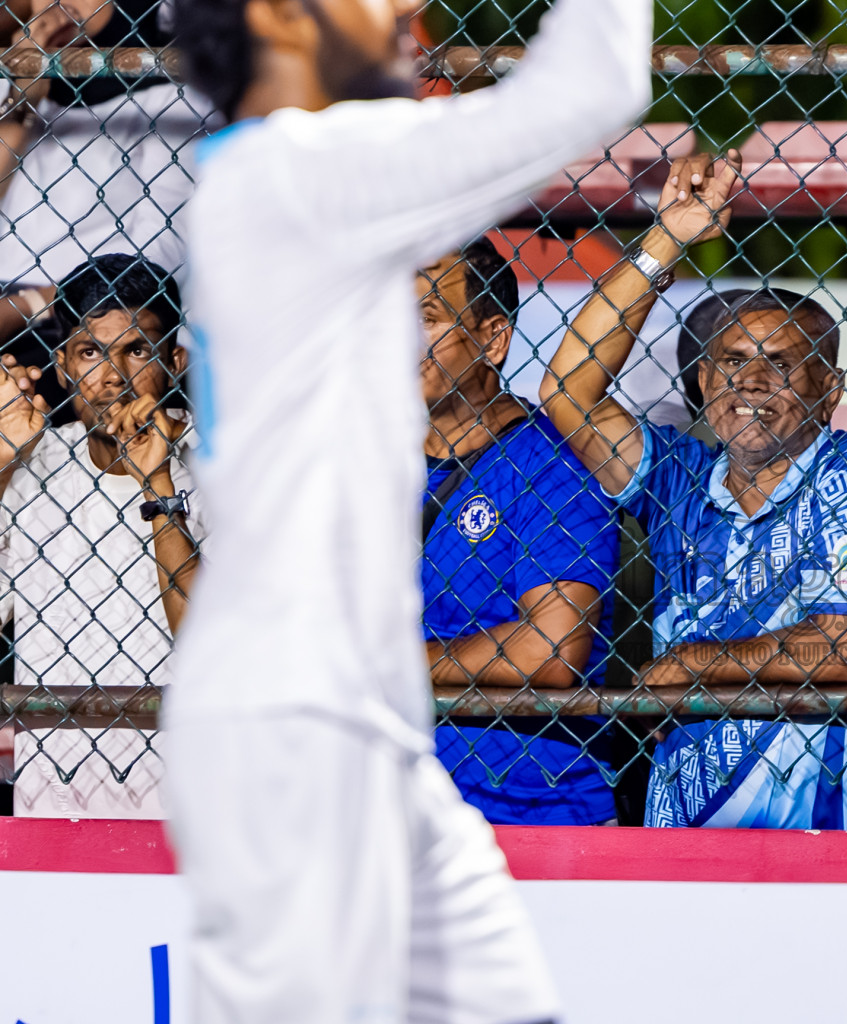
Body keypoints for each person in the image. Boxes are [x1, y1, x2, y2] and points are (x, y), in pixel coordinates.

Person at [162, 0, 651, 1017]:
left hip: (364, 722)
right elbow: (593, 82)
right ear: (281, 18)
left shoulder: (275, 180)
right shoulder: (306, 173)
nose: (410, 10)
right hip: (297, 729)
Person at [540, 152, 847, 830]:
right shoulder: (678, 475)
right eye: (732, 363)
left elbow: (842, 647)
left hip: (827, 825)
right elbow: (567, 389)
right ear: (705, 385)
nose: (750, 382)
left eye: (780, 364)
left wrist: (693, 663)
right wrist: (665, 241)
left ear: (828, 390)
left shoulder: (844, 464)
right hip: (686, 817)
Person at [419, 238, 621, 826]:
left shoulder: (551, 463)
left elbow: (551, 650)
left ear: (492, 339)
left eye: (427, 319)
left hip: (532, 818)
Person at [0, 253, 201, 818]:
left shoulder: (224, 463)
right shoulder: (36, 459)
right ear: (62, 367)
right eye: (91, 352)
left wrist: (157, 482)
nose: (113, 376)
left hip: (188, 801)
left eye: (137, 350)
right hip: (53, 802)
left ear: (174, 360)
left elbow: (211, 639)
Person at [0, 0, 219, 341]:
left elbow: (160, 255)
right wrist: (21, 103)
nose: (57, 6)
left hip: (88, 321)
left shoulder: (174, 95)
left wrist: (32, 303)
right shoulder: (13, 84)